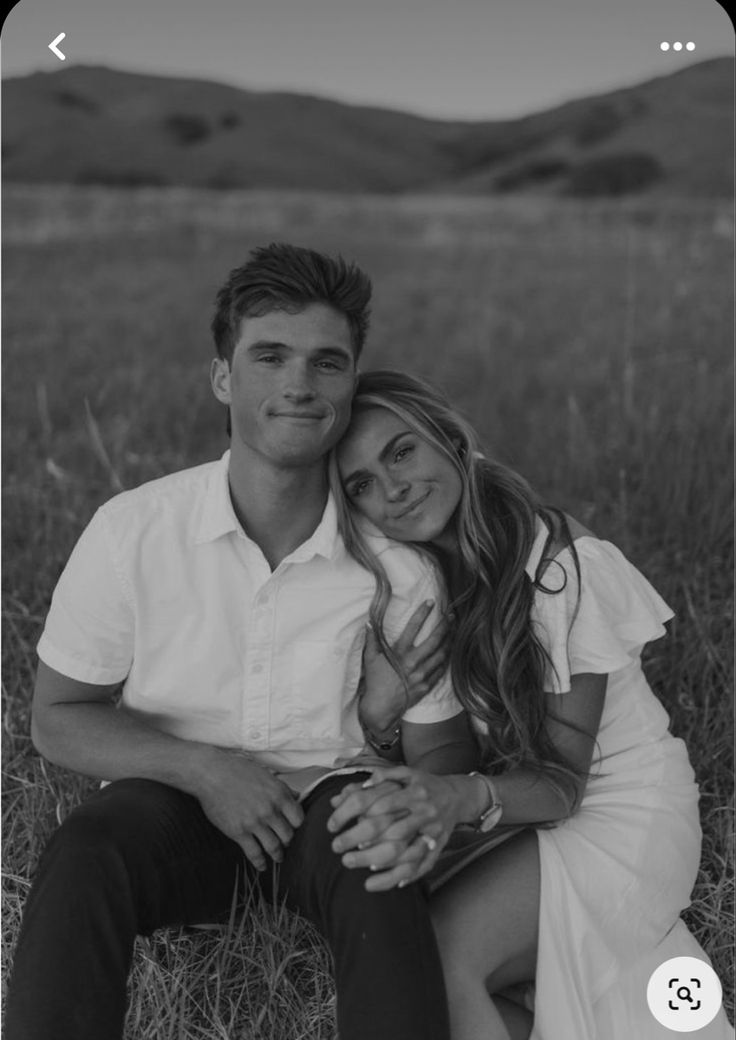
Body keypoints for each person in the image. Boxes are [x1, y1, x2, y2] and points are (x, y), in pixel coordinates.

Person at [4, 247, 478, 1040]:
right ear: (223, 378)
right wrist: (203, 769)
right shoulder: (134, 532)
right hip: (174, 806)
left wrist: (396, 767)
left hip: (331, 808)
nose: (300, 383)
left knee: (381, 865)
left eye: (328, 363)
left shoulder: (401, 572)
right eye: (271, 357)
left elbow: (441, 763)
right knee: (87, 848)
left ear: (351, 384)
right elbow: (56, 718)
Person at [326, 369, 734, 1040]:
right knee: (400, 947)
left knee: (440, 959)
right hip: (513, 807)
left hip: (615, 809)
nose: (392, 488)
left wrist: (459, 798)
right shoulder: (413, 583)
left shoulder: (555, 563)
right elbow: (448, 754)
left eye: (401, 451)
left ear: (450, 440)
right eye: (361, 484)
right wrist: (380, 719)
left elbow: (563, 783)